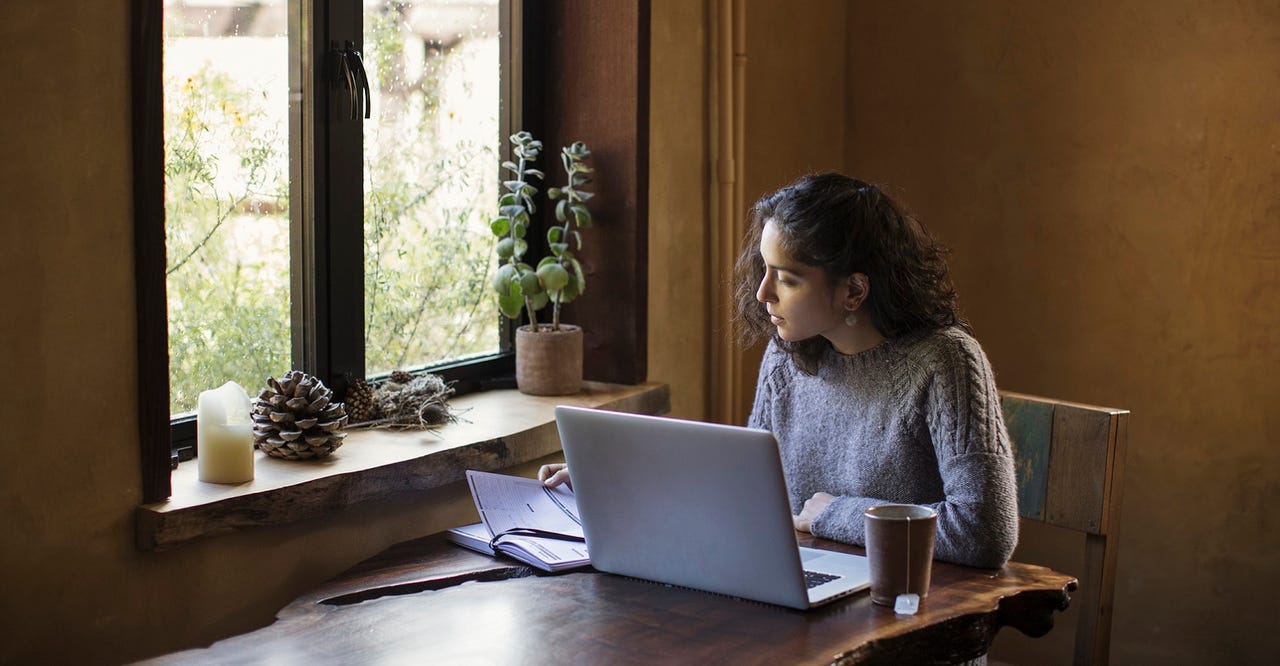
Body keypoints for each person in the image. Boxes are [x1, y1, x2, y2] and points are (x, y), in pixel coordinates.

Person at [541, 172, 1018, 569]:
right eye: (765, 269)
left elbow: (984, 532)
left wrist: (836, 514)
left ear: (853, 291)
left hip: (911, 619)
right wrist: (617, 481)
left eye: (787, 278)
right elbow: (750, 493)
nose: (762, 292)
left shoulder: (946, 363)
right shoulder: (787, 356)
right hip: (808, 597)